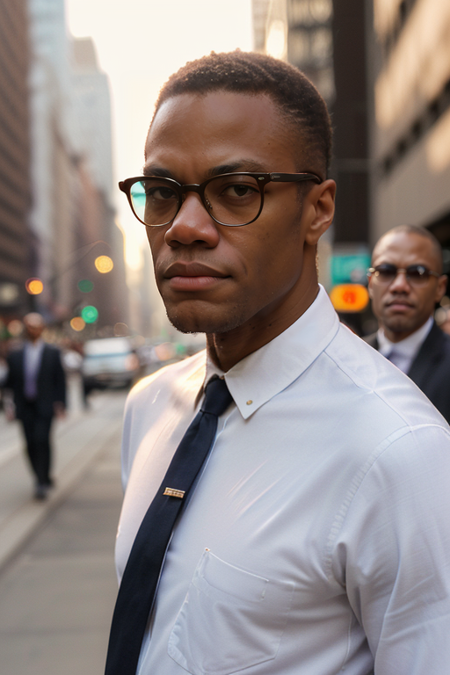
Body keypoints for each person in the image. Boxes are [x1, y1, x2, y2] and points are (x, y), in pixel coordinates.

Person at [107, 52, 450, 675]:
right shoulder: (150, 406)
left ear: (318, 209)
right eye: (161, 193)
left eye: (237, 191)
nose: (184, 228)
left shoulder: (402, 452)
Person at [366, 225, 450, 422]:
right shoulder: (346, 362)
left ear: (440, 288)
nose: (399, 286)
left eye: (418, 273)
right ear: (370, 283)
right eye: (386, 271)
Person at [4, 313, 66, 499]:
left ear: (41, 328)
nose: (32, 329)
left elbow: (59, 380)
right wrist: (8, 406)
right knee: (30, 443)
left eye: (36, 326)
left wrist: (61, 404)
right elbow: (10, 383)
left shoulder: (52, 352)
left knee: (42, 440)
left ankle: (42, 480)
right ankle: (39, 476)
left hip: (45, 406)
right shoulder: (15, 354)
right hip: (24, 406)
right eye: (29, 326)